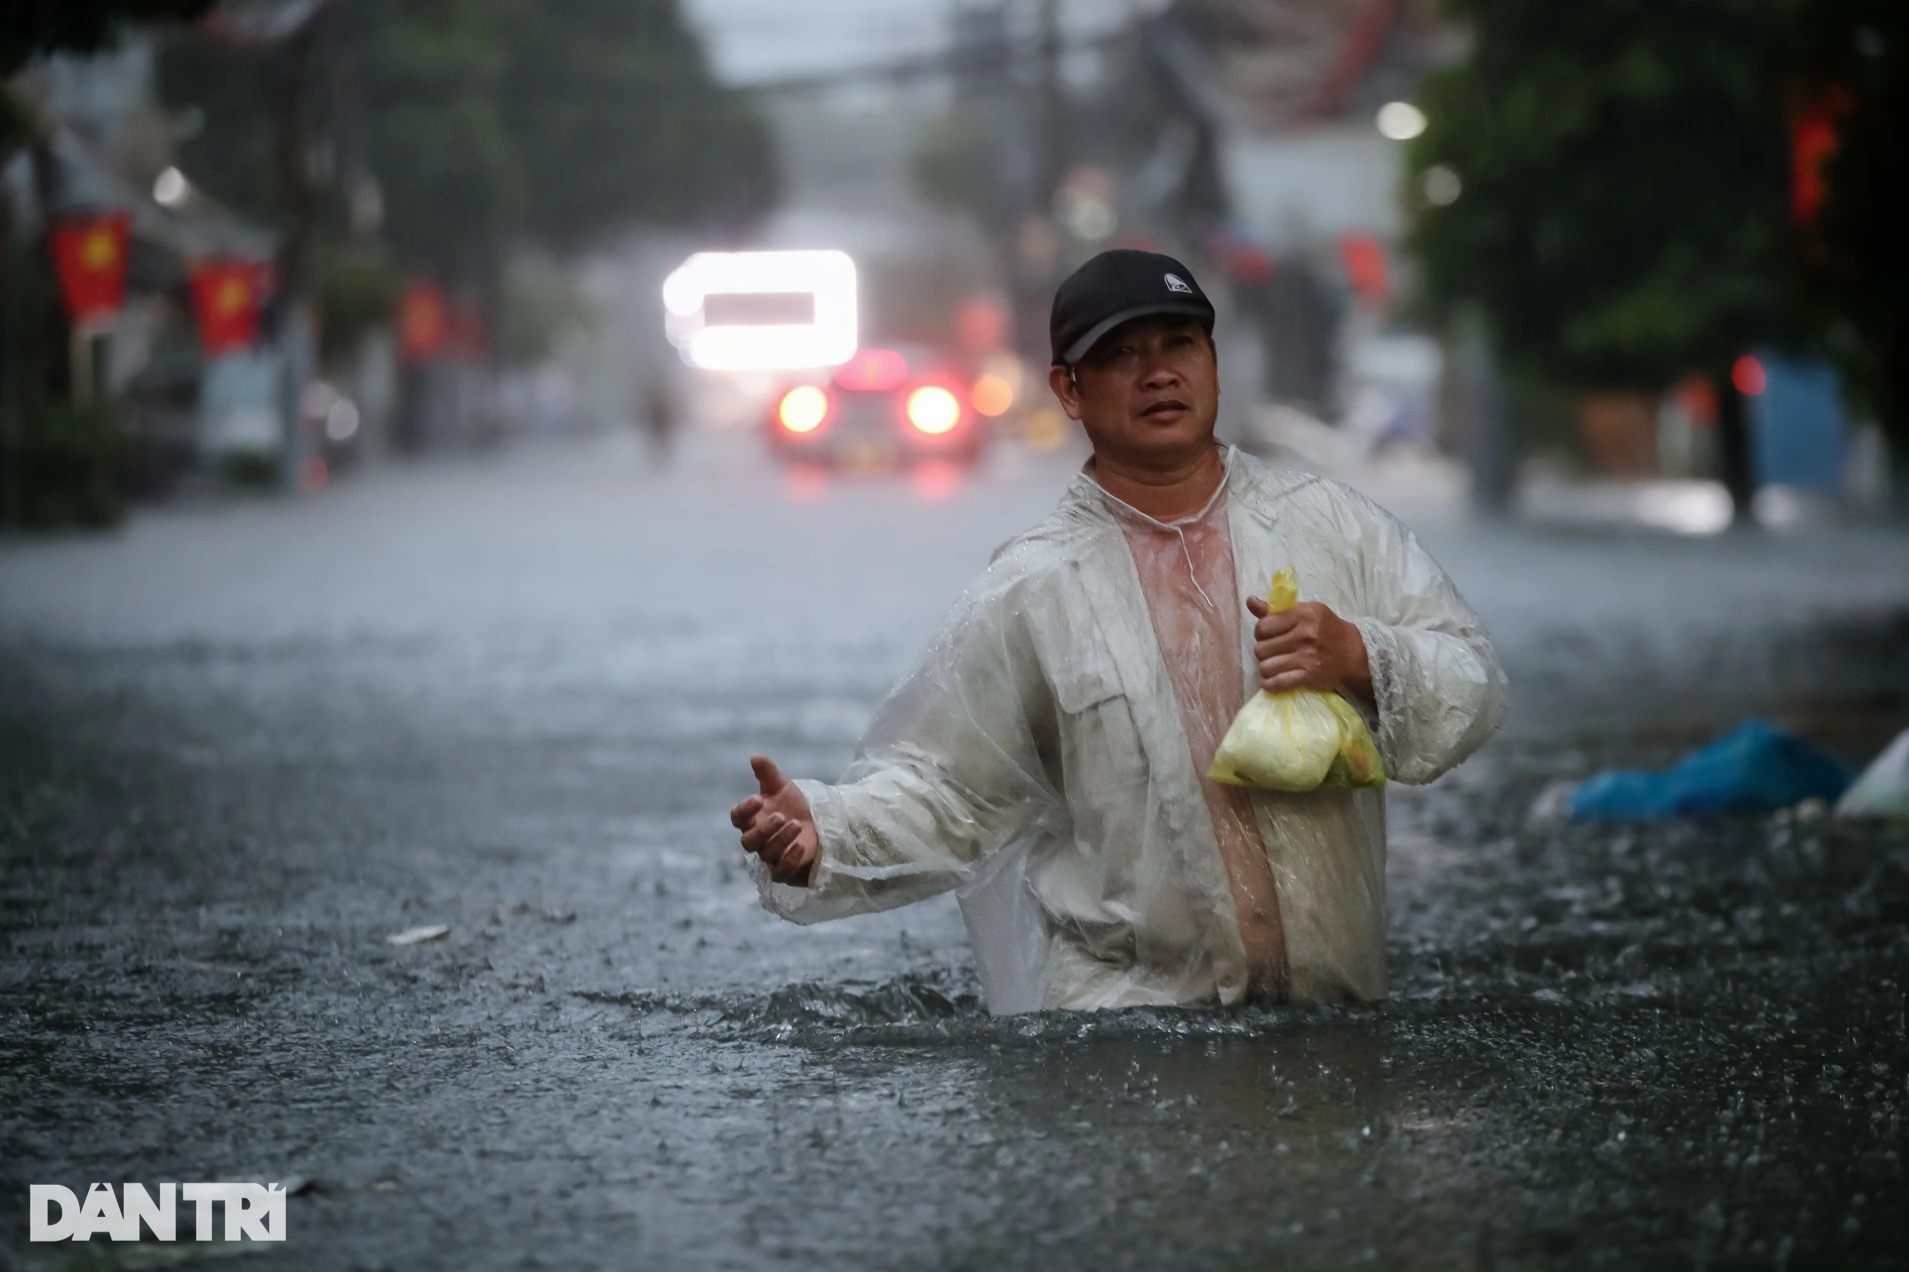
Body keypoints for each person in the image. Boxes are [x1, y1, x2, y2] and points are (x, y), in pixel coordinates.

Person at [729, 249, 1507, 1013]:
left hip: (1333, 1018)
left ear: (1212, 361)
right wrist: (824, 832)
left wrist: (1361, 657)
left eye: (1179, 345)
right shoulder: (1029, 592)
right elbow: (951, 793)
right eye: (1121, 355)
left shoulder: (1336, 529)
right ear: (1068, 390)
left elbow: (1472, 681)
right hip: (1124, 1036)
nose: (1159, 372)